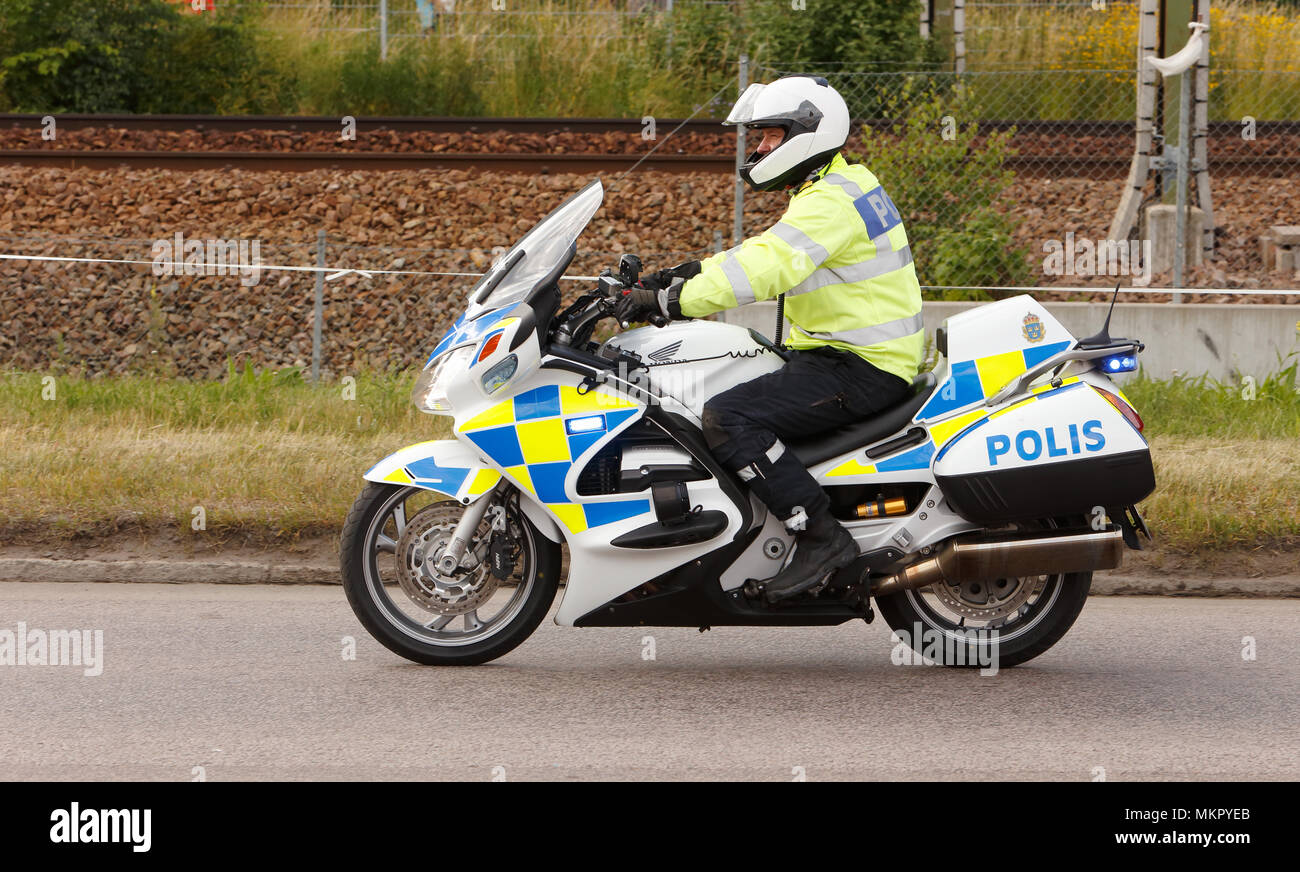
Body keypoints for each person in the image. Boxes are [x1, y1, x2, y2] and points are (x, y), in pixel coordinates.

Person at [616, 76, 924, 603]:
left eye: (769, 136)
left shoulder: (831, 203)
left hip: (859, 367)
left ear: (806, 134)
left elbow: (764, 270)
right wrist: (675, 276)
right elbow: (761, 253)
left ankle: (821, 537)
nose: (758, 148)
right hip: (851, 356)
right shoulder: (836, 186)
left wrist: (670, 303)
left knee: (727, 416)